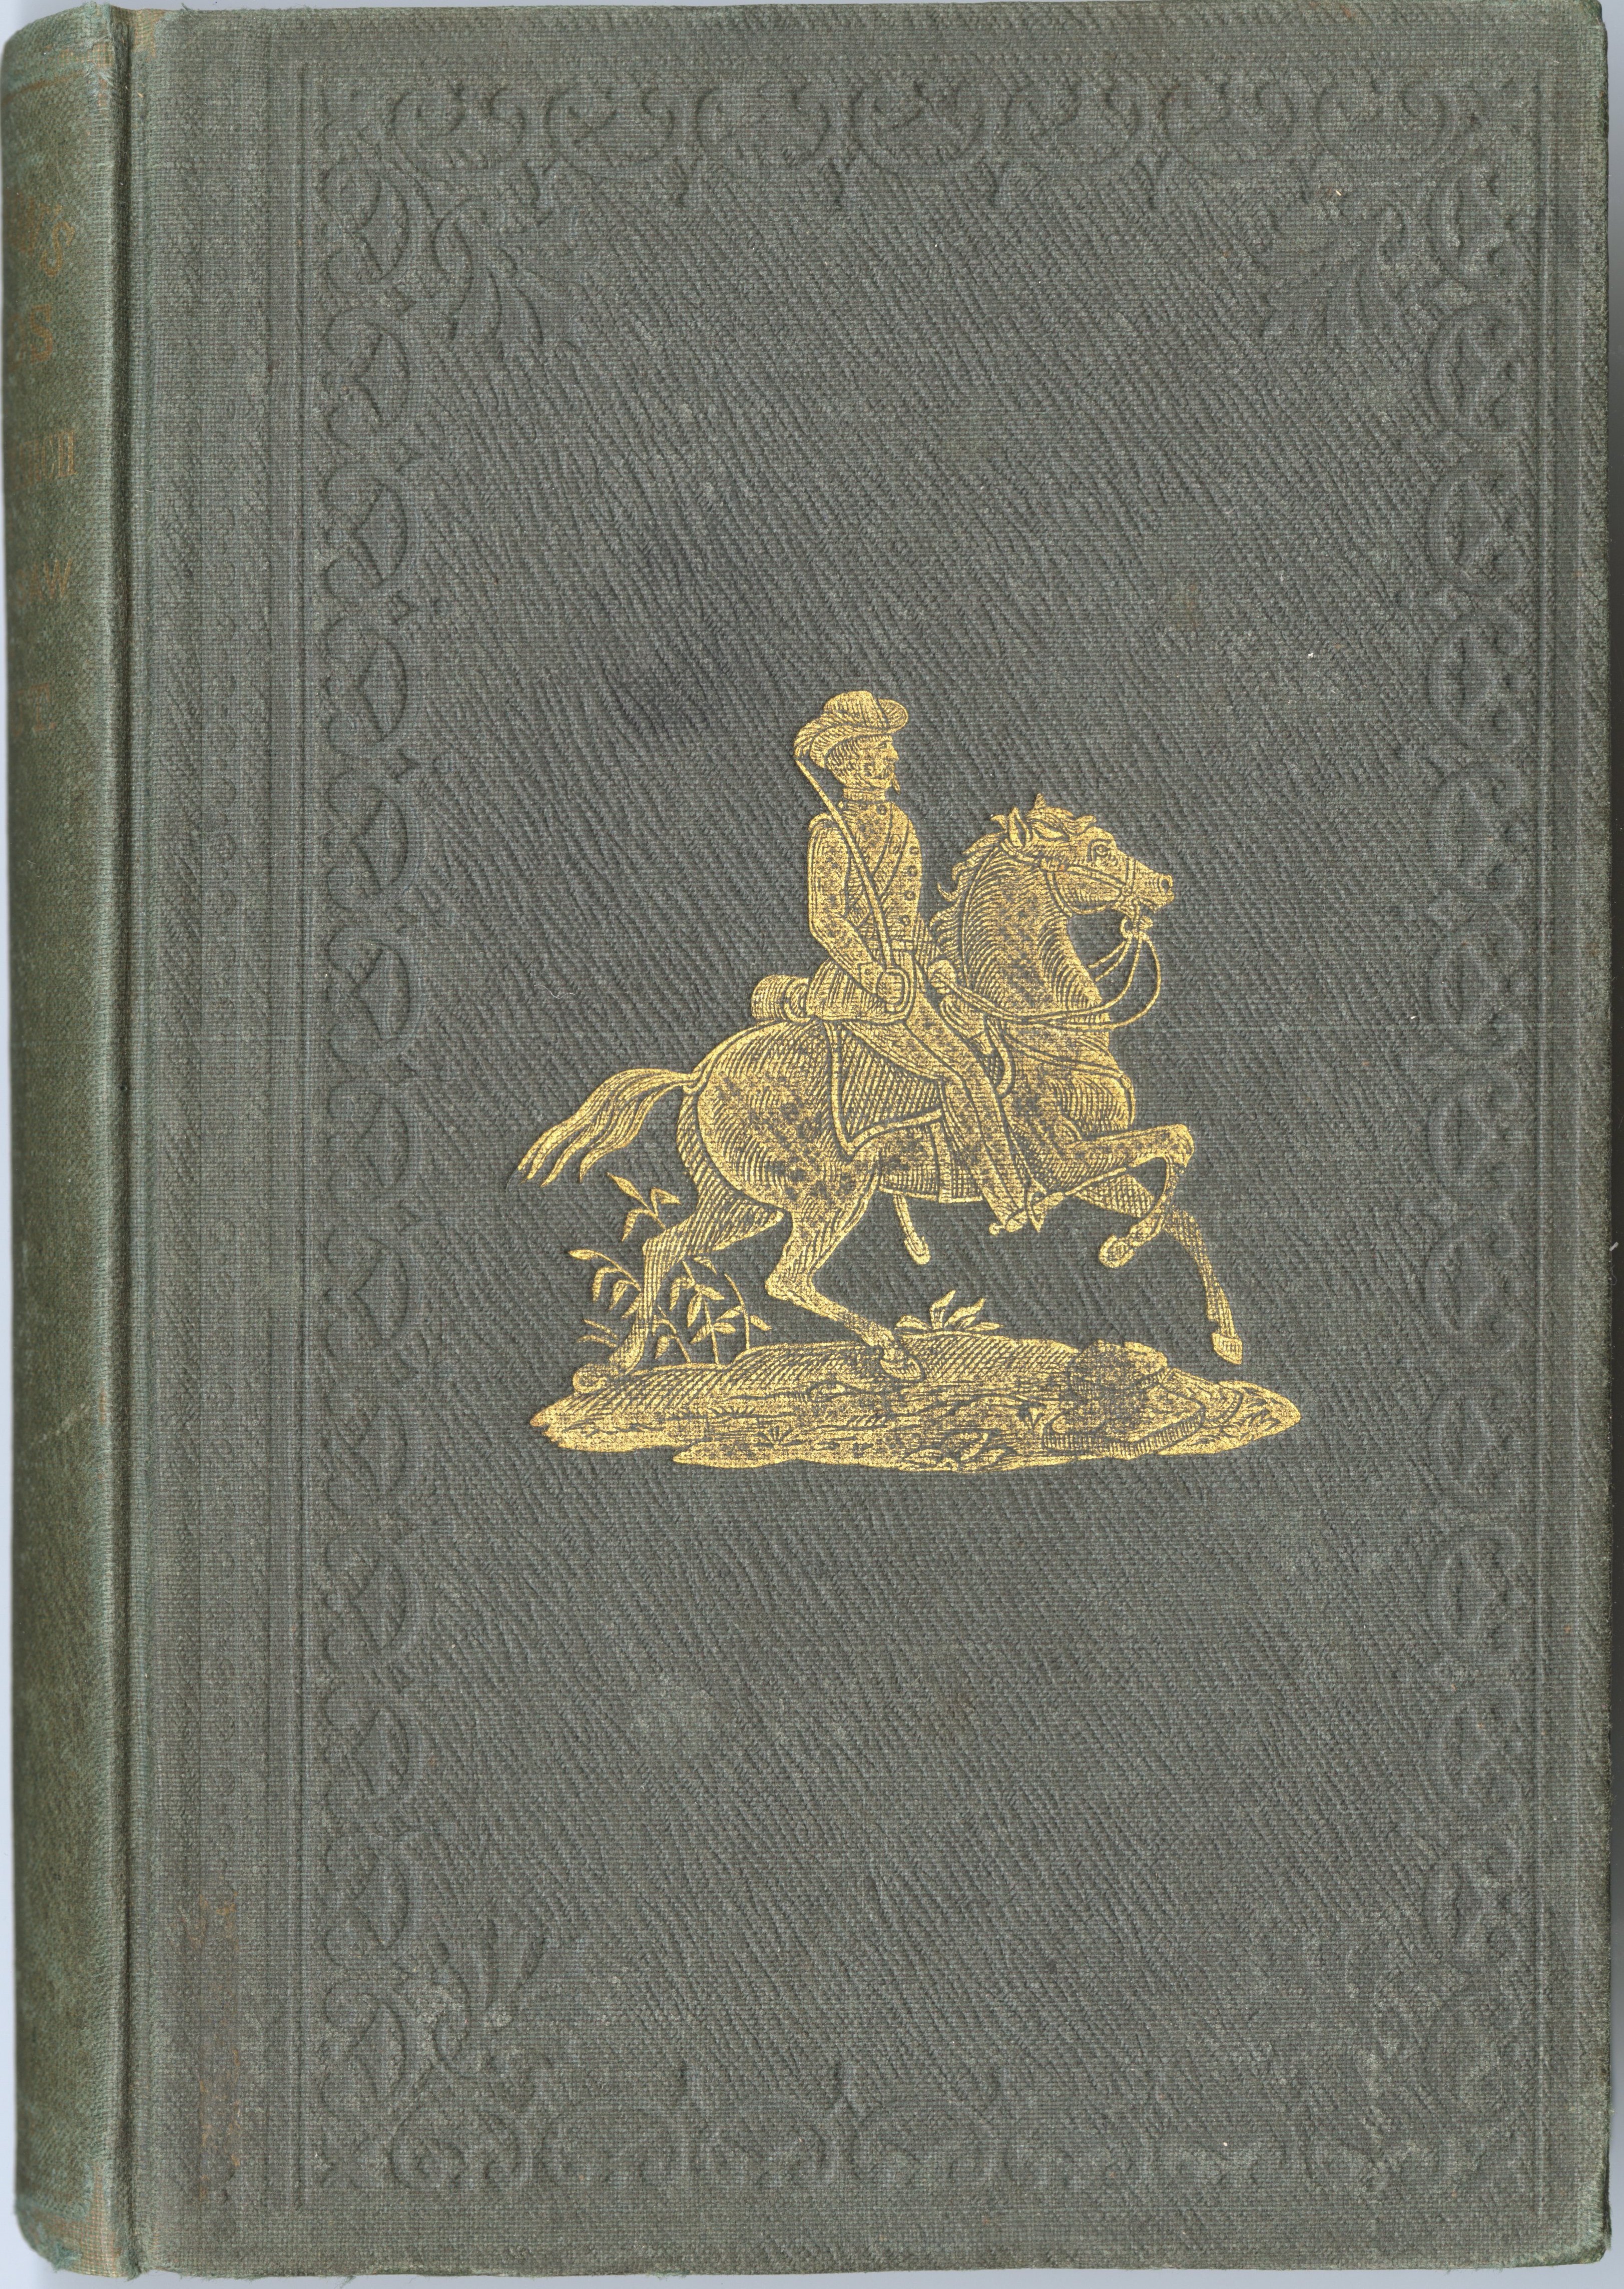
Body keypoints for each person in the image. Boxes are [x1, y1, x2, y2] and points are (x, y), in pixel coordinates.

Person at [794, 689, 1031, 1234]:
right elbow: (826, 921)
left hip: (906, 983)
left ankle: (1010, 1189)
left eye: (887, 749)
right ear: (848, 763)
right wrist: (874, 976)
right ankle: (1008, 1201)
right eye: (877, 751)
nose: (891, 758)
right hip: (858, 990)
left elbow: (904, 918)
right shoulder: (830, 833)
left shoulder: (899, 824)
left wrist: (934, 965)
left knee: (976, 1059)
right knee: (958, 1073)